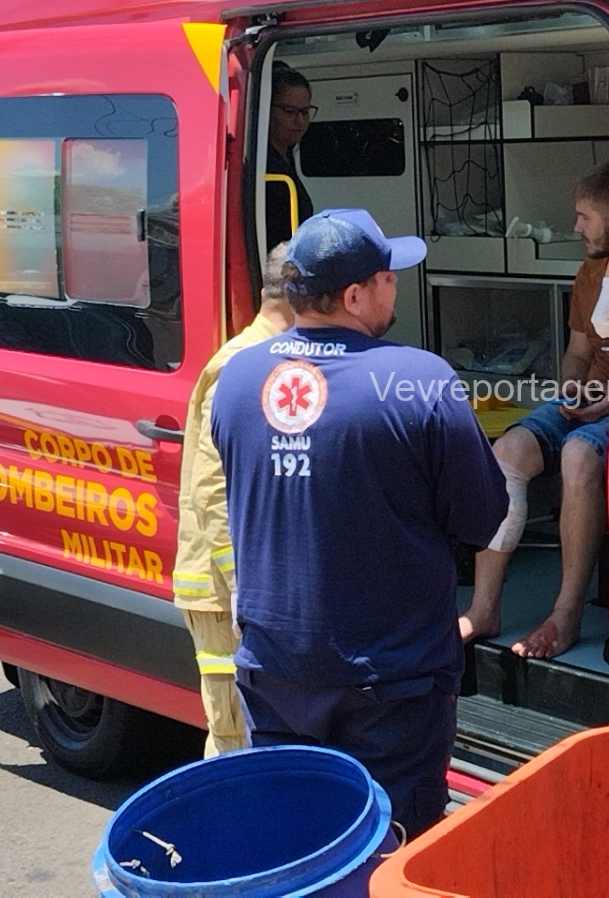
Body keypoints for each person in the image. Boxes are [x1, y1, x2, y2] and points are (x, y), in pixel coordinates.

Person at [211, 209, 505, 833]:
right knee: (390, 845)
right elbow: (481, 517)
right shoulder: (422, 381)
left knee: (297, 839)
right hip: (390, 683)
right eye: (388, 277)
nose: (396, 286)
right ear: (353, 296)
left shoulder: (237, 378)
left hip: (273, 669)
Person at [458, 161, 609, 659]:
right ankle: (484, 609)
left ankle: (565, 614)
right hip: (587, 397)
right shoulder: (589, 274)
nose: (576, 227)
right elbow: (577, 352)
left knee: (578, 455)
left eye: (585, 217)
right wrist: (570, 390)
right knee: (507, 452)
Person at [172, 242, 294, 757]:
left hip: (239, 593)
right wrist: (246, 589)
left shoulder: (270, 358)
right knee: (235, 741)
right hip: (223, 599)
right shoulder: (242, 365)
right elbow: (213, 491)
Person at [261, 64, 315, 250]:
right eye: (290, 112)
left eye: (305, 112)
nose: (300, 121)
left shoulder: (286, 157)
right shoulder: (260, 165)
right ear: (267, 109)